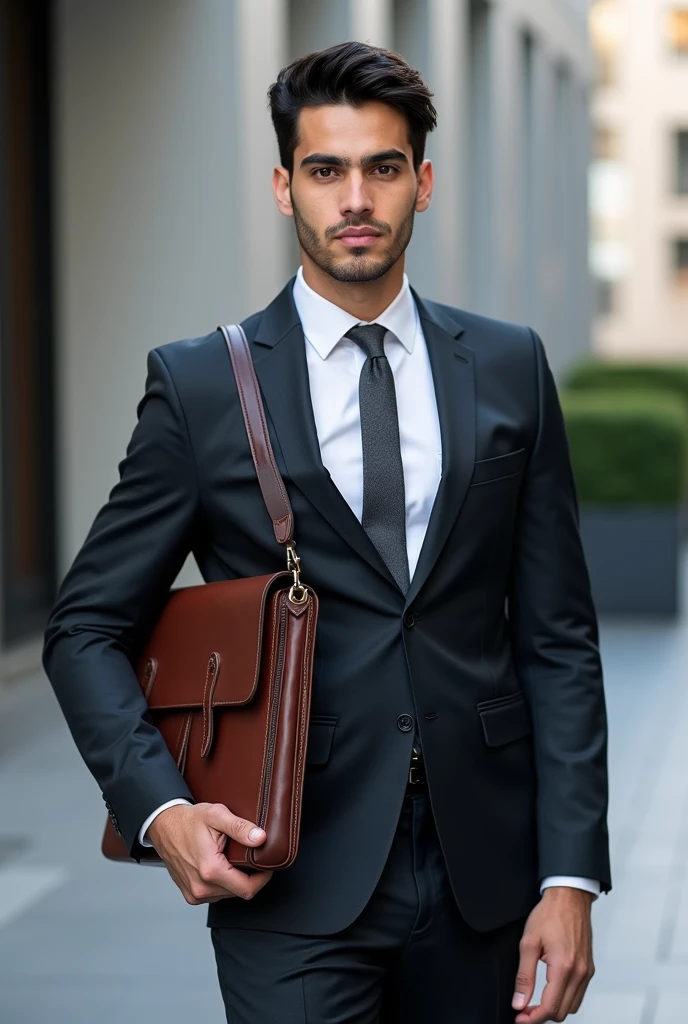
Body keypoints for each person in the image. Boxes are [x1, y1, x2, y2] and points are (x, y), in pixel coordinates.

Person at [43, 41, 611, 1024]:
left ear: (422, 183)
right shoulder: (204, 387)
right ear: (282, 185)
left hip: (487, 871)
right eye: (325, 169)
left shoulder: (510, 367)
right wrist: (162, 812)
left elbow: (557, 638)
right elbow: (85, 626)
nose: (355, 197)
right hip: (290, 866)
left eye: (382, 167)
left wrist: (570, 877)